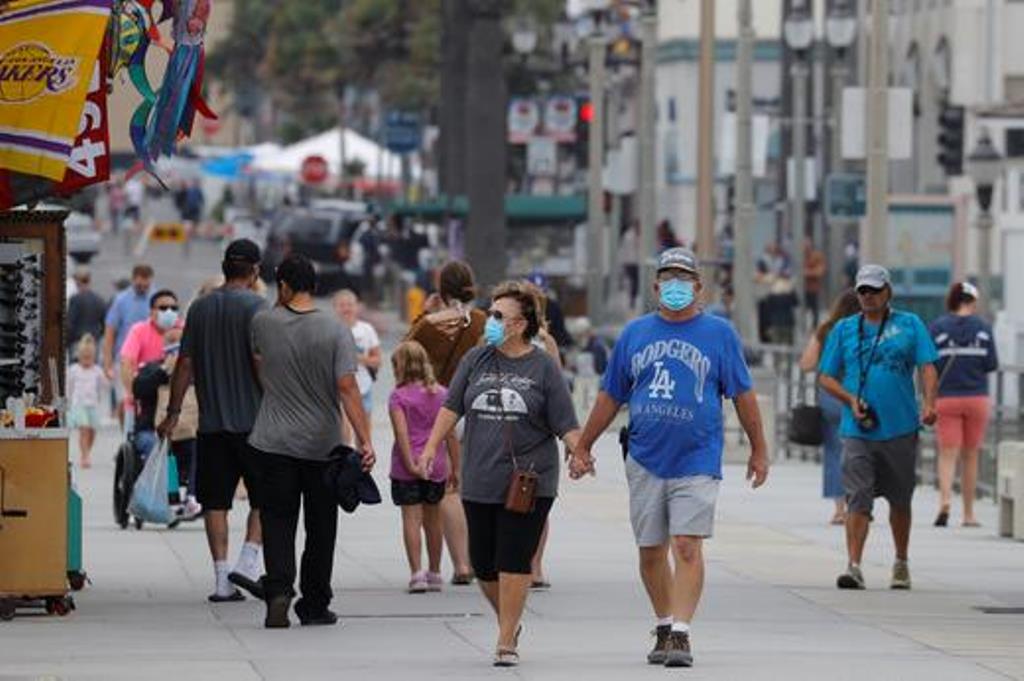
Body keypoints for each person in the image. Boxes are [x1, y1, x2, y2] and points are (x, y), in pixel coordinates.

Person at [572, 247, 770, 669]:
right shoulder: (635, 334)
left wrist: (759, 449)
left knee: (685, 545)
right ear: (656, 285)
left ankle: (681, 633)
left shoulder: (719, 334)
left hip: (697, 457)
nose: (675, 286)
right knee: (650, 551)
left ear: (699, 287)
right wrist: (584, 444)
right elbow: (611, 394)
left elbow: (743, 394)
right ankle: (663, 622)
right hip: (645, 455)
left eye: (684, 279)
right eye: (668, 278)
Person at [418, 280, 582, 667]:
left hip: (529, 480)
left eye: (497, 316)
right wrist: (430, 446)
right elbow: (451, 406)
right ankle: (510, 619)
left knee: (513, 558)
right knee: (484, 563)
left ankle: (506, 637)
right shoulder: (475, 359)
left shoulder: (542, 366)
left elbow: (565, 420)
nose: (488, 321)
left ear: (520, 323)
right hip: (480, 476)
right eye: (489, 312)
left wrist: (580, 452)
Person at [249, 254, 375, 629]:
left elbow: (261, 371)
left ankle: (278, 592)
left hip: (272, 440)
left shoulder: (263, 322)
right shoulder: (336, 328)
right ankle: (315, 602)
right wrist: (364, 439)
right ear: (315, 287)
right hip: (322, 444)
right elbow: (347, 387)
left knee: (277, 519)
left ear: (283, 286)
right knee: (321, 525)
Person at [159, 239, 268, 603]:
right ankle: (248, 562)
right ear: (254, 271)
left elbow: (184, 365)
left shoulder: (200, 309)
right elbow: (260, 361)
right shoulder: (258, 307)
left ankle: (222, 579)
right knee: (265, 498)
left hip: (212, 424)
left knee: (215, 502)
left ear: (225, 268)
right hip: (255, 423)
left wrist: (172, 413)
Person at [819, 264, 938, 591]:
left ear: (888, 292)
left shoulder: (910, 324)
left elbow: (927, 366)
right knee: (858, 497)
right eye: (863, 291)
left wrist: (929, 403)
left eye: (874, 290)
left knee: (900, 499)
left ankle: (901, 562)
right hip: (857, 429)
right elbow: (825, 376)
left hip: (900, 426)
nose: (868, 297)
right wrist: (848, 399)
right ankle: (853, 565)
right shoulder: (843, 329)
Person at [406, 260, 486, 585]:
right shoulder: (483, 320)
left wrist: (423, 314)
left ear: (441, 288)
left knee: (449, 489)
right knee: (476, 487)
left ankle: (462, 563)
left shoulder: (429, 324)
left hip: (441, 411)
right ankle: (481, 557)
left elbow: (405, 352)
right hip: (477, 407)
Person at [388, 341, 458, 594]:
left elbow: (401, 432)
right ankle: (436, 572)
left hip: (407, 466)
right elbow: (450, 435)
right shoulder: (442, 394)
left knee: (411, 519)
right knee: (434, 520)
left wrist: (410, 464)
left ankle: (417, 573)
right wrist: (456, 467)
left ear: (400, 367)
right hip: (437, 465)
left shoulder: (398, 396)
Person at [929, 281, 998, 528]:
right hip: (976, 398)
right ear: (972, 301)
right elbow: (991, 364)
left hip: (947, 398)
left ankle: (945, 500)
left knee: (947, 454)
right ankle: (968, 514)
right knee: (971, 456)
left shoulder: (937, 328)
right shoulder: (984, 328)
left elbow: (929, 366)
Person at [799, 289, 861, 525]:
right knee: (861, 450)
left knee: (835, 452)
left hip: (831, 397)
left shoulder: (826, 330)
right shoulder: (863, 329)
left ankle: (839, 509)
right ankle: (859, 503)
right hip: (859, 396)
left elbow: (806, 363)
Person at [157, 327, 203, 522]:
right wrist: (164, 372)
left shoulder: (196, 369)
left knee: (198, 451)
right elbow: (140, 388)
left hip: (190, 430)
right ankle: (172, 498)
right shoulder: (154, 369)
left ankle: (192, 496)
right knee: (167, 453)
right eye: (171, 342)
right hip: (161, 432)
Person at [103, 264, 154, 421]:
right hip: (125, 360)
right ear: (133, 280)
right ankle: (126, 436)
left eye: (146, 285)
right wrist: (107, 362)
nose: (143, 288)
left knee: (147, 403)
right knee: (124, 402)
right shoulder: (121, 300)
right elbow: (110, 332)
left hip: (150, 360)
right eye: (139, 284)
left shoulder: (156, 298)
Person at [120, 289, 181, 410]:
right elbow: (127, 362)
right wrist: (131, 393)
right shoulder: (139, 331)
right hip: (145, 397)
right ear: (152, 312)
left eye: (173, 308)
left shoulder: (184, 329)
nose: (169, 311)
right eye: (163, 308)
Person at [333, 290, 382, 423]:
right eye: (342, 305)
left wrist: (358, 358)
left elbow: (377, 361)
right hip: (339, 390)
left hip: (364, 388)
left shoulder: (367, 329)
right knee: (344, 435)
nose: (346, 308)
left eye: (350, 304)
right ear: (335, 308)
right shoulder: (331, 330)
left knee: (364, 436)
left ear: (357, 306)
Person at [67, 335, 105, 469]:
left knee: (92, 430)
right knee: (84, 429)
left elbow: (101, 387)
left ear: (94, 357)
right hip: (79, 404)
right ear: (79, 356)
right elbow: (69, 387)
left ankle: (87, 451)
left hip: (92, 404)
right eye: (84, 357)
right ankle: (85, 456)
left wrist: (99, 399)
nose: (86, 361)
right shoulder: (74, 370)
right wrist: (69, 402)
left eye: (89, 358)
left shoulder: (97, 371)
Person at [68, 268, 107, 359]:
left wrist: (67, 342)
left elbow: (70, 323)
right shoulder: (99, 299)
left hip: (77, 342)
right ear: (89, 280)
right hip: (94, 343)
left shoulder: (75, 299)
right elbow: (105, 323)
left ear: (77, 281)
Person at [804, 239, 827, 329]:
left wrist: (806, 272)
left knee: (814, 309)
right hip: (802, 289)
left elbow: (820, 272)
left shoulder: (817, 256)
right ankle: (804, 326)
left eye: (807, 246)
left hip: (813, 288)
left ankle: (814, 326)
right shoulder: (800, 256)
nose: (805, 249)